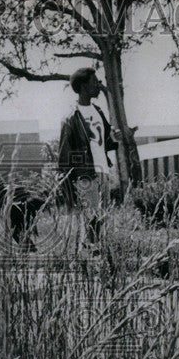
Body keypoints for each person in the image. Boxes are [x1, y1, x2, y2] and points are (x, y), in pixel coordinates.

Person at [57, 67, 120, 249]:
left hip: (104, 171)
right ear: (83, 87)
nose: (98, 86)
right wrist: (74, 179)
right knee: (92, 218)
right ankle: (93, 254)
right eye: (94, 82)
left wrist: (115, 137)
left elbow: (106, 141)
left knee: (101, 217)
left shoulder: (98, 111)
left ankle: (91, 254)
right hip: (85, 175)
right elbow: (64, 154)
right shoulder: (71, 118)